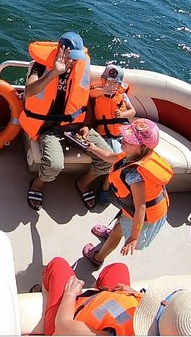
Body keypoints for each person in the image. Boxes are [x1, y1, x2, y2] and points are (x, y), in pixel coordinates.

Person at [19, 32, 113, 211]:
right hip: (49, 127)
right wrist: (54, 72)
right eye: (70, 57)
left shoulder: (82, 65)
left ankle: (84, 184)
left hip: (76, 126)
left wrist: (86, 125)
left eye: (76, 57)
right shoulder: (40, 65)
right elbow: (29, 91)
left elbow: (85, 99)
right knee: (54, 165)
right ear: (60, 51)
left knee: (106, 160)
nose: (73, 61)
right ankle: (38, 184)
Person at [37, 256, 191, 335]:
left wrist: (70, 294)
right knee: (118, 268)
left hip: (68, 319)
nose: (162, 300)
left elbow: (63, 327)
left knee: (58, 265)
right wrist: (134, 296)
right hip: (106, 307)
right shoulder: (171, 329)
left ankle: (43, 288)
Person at [82, 118, 173, 267]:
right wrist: (93, 148)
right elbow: (110, 157)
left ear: (142, 148)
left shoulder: (135, 176)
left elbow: (140, 208)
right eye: (125, 136)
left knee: (119, 230)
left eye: (129, 140)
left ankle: (97, 258)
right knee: (120, 223)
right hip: (135, 210)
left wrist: (133, 237)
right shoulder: (131, 156)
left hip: (144, 217)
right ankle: (116, 231)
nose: (123, 140)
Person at [82, 64, 136, 206]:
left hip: (120, 133)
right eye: (107, 80)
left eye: (115, 82)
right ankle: (106, 187)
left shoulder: (122, 94)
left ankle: (106, 186)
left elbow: (132, 111)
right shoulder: (96, 91)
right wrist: (104, 89)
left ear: (119, 84)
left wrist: (123, 114)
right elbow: (91, 94)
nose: (110, 84)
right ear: (102, 79)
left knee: (123, 159)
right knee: (113, 159)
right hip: (104, 133)